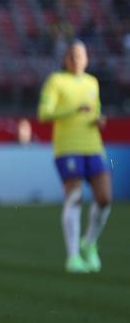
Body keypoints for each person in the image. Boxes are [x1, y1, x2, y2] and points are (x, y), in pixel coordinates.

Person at [37, 40, 111, 273]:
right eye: (72, 55)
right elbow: (43, 114)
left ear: (87, 59)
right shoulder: (56, 81)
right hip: (67, 147)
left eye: (81, 55)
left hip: (93, 146)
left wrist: (99, 120)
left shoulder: (92, 83)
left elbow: (94, 110)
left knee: (104, 198)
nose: (77, 59)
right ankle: (72, 257)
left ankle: (89, 243)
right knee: (75, 196)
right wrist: (73, 110)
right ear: (65, 59)